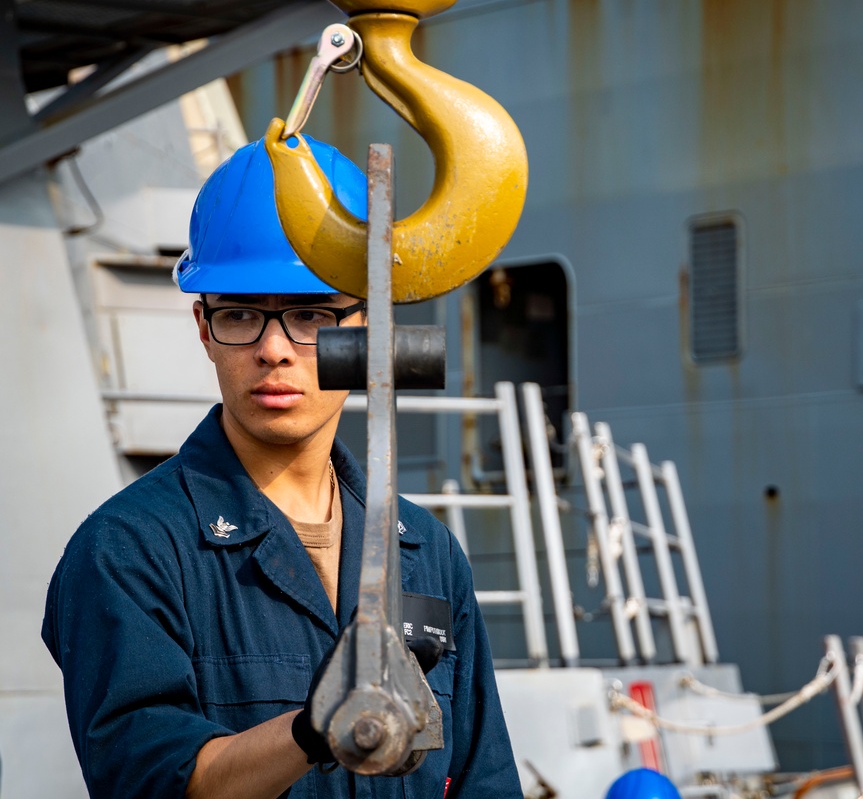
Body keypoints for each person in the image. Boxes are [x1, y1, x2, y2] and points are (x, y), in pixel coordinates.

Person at [41, 134, 523, 799]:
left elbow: (481, 780)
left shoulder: (427, 557)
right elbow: (150, 782)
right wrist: (313, 731)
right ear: (203, 328)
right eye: (240, 314)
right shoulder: (129, 552)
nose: (274, 350)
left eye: (309, 315)